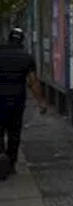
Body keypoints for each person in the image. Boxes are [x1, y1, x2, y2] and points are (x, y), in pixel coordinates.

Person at [0, 28, 38, 180]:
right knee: (14, 132)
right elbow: (33, 81)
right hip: (16, 101)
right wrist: (40, 102)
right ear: (21, 40)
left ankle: (0, 153)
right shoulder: (26, 57)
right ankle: (11, 163)